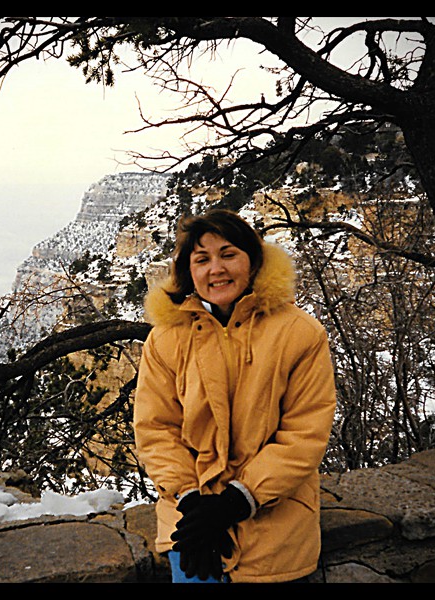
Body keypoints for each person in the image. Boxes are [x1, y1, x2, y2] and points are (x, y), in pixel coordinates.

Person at [133, 209, 337, 583]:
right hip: (190, 527)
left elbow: (304, 433)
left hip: (276, 529)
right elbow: (156, 430)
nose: (216, 269)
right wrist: (191, 502)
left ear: (253, 262)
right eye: (202, 259)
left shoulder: (300, 334)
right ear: (188, 271)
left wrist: (238, 499)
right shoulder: (165, 340)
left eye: (228, 254)